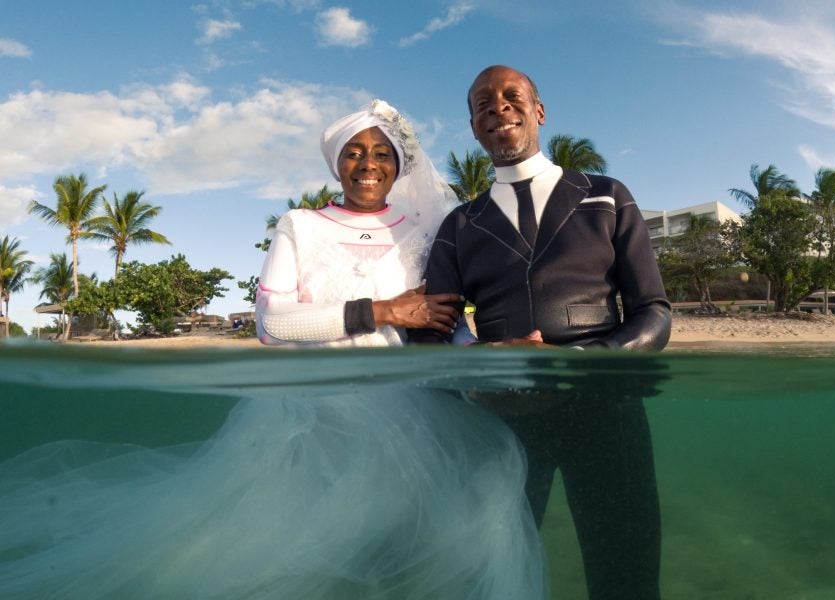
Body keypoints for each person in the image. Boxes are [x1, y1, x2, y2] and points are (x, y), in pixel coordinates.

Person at [0, 100, 546, 599]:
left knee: (406, 558)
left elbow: (445, 323)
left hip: (415, 419)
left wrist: (495, 353)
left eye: (382, 153)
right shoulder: (300, 225)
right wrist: (380, 310)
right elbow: (271, 324)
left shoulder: (430, 232)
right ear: (336, 162)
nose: (368, 163)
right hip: (309, 422)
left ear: (400, 166)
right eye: (354, 152)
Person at [408, 66, 672, 600]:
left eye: (512, 97)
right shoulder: (459, 226)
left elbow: (654, 314)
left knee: (626, 570)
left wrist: (581, 363)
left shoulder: (606, 196)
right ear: (475, 128)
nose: (498, 107)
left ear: (539, 111)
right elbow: (428, 336)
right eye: (483, 103)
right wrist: (476, 372)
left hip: (606, 412)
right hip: (502, 424)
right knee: (496, 580)